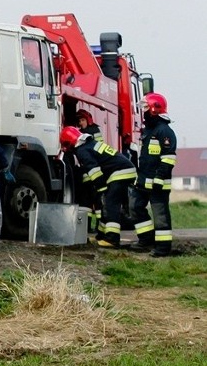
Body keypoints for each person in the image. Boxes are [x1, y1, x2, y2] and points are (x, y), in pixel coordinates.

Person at [59, 126, 137, 248]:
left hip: (120, 172)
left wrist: (101, 188)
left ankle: (112, 239)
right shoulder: (90, 144)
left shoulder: (81, 151)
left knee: (111, 204)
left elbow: (93, 170)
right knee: (107, 204)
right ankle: (102, 235)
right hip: (123, 170)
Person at [130, 93, 177, 257]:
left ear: (154, 109)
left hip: (158, 183)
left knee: (160, 215)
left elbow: (169, 159)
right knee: (134, 207)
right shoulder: (148, 130)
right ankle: (146, 239)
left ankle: (163, 248)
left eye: (145, 108)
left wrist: (159, 178)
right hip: (143, 180)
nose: (143, 112)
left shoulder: (164, 131)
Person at [74, 109, 104, 232]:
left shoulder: (95, 131)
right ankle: (86, 227)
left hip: (95, 172)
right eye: (79, 121)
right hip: (85, 173)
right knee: (85, 202)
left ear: (88, 120)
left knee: (98, 202)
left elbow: (99, 148)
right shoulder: (79, 133)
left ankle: (100, 226)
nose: (81, 123)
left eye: (83, 120)